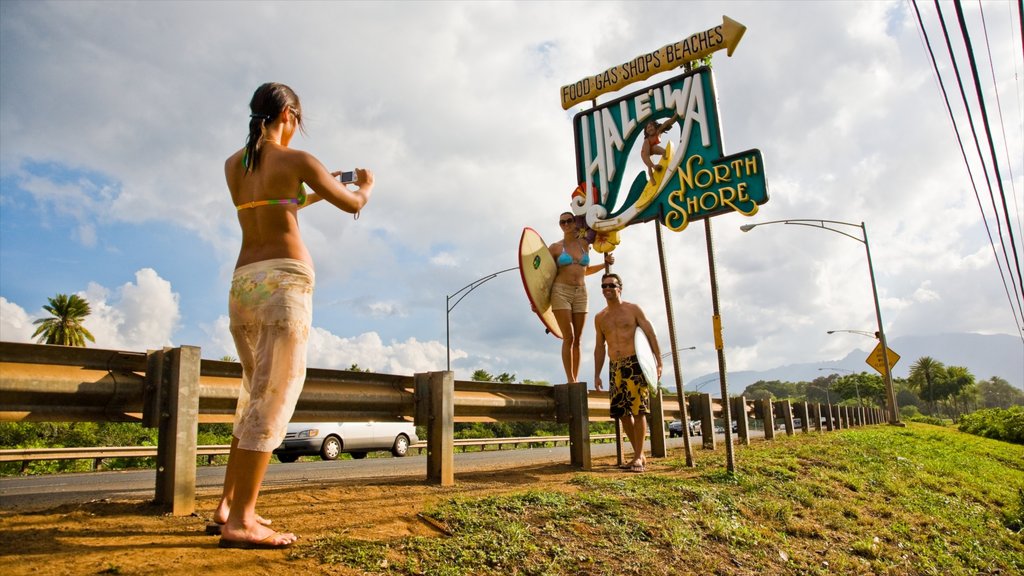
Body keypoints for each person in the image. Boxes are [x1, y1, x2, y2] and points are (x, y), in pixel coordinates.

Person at [214, 82, 374, 549]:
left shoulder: (234, 165)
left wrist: (318, 189)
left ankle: (227, 505)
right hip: (284, 282)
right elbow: (354, 205)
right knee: (275, 397)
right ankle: (241, 521)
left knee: (253, 396)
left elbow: (280, 203)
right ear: (288, 114)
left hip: (244, 283)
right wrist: (363, 186)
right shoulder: (300, 161)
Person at [593, 273, 661, 473]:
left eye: (611, 285)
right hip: (615, 366)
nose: (607, 289)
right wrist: (597, 373)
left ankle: (638, 457)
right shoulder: (600, 317)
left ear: (620, 288)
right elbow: (599, 347)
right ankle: (638, 454)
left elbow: (650, 333)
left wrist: (658, 361)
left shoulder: (633, 309)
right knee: (622, 414)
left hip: (635, 363)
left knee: (639, 411)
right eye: (604, 286)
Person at [548, 212, 612, 383]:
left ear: (576, 223)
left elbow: (586, 270)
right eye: (562, 222)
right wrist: (537, 301)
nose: (566, 224)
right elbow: (544, 276)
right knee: (568, 337)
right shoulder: (555, 248)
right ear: (560, 225)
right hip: (560, 291)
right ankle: (570, 380)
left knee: (578, 339)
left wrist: (604, 264)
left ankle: (575, 378)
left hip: (581, 293)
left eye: (570, 220)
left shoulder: (584, 244)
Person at [641, 114, 678, 182]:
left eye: (651, 126)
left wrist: (674, 117)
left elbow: (666, 124)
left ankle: (664, 158)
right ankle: (652, 179)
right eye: (648, 128)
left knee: (662, 151)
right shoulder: (646, 141)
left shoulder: (658, 131)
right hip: (645, 153)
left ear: (655, 126)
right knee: (649, 165)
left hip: (652, 149)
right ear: (646, 131)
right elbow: (646, 156)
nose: (650, 129)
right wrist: (653, 166)